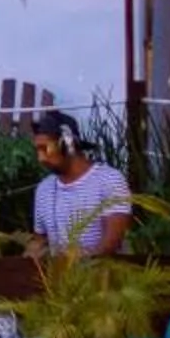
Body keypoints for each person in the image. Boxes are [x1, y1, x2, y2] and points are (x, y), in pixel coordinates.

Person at [28, 109, 132, 258]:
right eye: (37, 150)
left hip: (100, 276)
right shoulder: (44, 189)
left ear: (67, 145)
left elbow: (111, 244)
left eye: (45, 149)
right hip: (60, 279)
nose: (41, 158)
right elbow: (40, 242)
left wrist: (75, 267)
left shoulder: (109, 180)